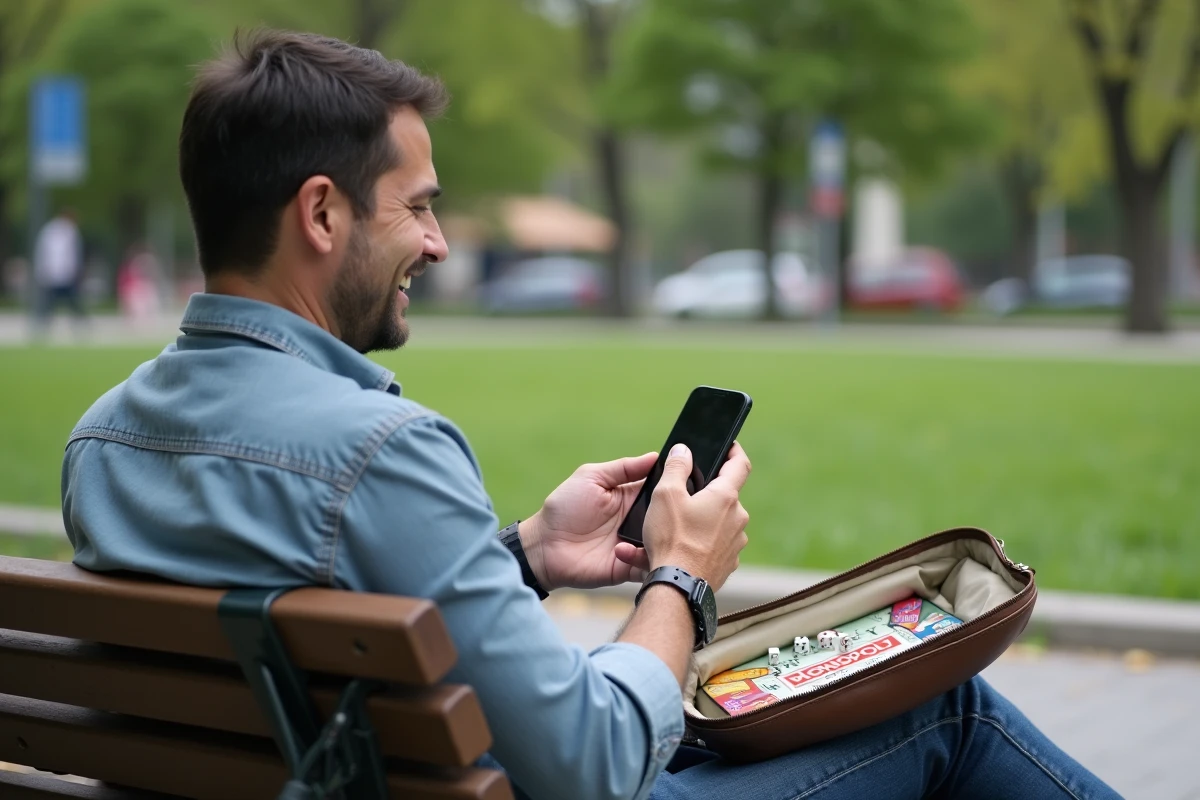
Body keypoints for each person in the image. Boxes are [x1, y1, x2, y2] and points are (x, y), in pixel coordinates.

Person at [60, 30, 1121, 800]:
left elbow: (330, 622)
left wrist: (523, 550)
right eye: (419, 205)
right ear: (323, 211)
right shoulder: (381, 450)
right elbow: (591, 762)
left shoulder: (101, 440)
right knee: (942, 709)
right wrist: (682, 579)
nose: (435, 243)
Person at [31, 208, 86, 335]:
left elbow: (73, 254)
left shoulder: (71, 231)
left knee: (72, 301)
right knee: (50, 303)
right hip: (52, 273)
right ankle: (42, 326)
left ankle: (80, 326)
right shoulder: (50, 231)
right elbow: (43, 252)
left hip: (67, 273)